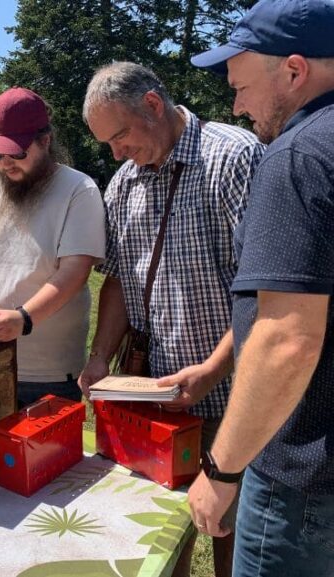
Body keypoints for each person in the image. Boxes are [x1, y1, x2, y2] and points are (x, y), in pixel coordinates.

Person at [79, 62, 265, 577]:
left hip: (236, 400)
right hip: (157, 400)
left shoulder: (233, 158)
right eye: (107, 144)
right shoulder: (121, 185)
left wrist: (211, 371)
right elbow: (115, 280)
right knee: (159, 533)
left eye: (119, 136)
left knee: (234, 536)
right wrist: (98, 357)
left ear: (154, 106)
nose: (115, 153)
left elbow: (267, 293)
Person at [188, 1, 334, 575]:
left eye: (241, 86)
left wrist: (221, 471)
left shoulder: (296, 156)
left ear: (294, 71)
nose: (236, 105)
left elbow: (286, 339)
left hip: (301, 481)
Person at [0, 87, 105, 407]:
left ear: (45, 141)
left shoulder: (79, 189)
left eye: (16, 153)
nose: (5, 163)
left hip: (49, 372)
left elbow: (75, 271)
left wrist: (24, 319)